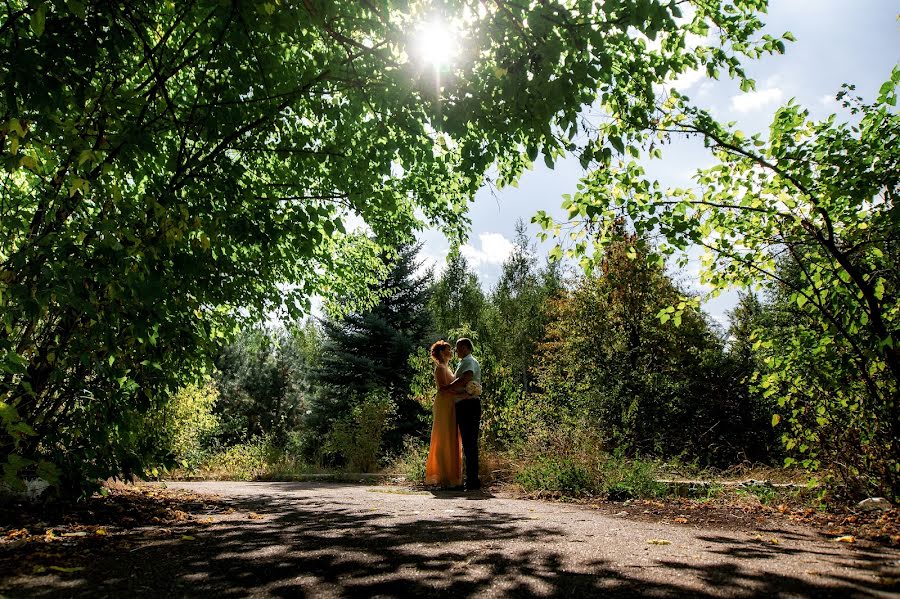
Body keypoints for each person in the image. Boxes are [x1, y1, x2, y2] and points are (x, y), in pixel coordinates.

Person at [441, 338, 482, 491]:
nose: (456, 351)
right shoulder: (464, 361)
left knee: (469, 442)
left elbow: (466, 377)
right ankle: (471, 479)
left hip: (468, 405)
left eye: (457, 348)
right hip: (465, 404)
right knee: (468, 442)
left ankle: (472, 480)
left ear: (464, 348)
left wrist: (448, 387)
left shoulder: (468, 361)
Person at [424, 340, 463, 488]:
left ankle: (451, 476)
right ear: (441, 352)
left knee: (451, 436)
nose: (451, 351)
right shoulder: (440, 368)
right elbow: (443, 389)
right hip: (444, 404)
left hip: (450, 403)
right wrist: (464, 394)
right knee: (444, 436)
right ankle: (444, 475)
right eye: (448, 349)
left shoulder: (446, 367)